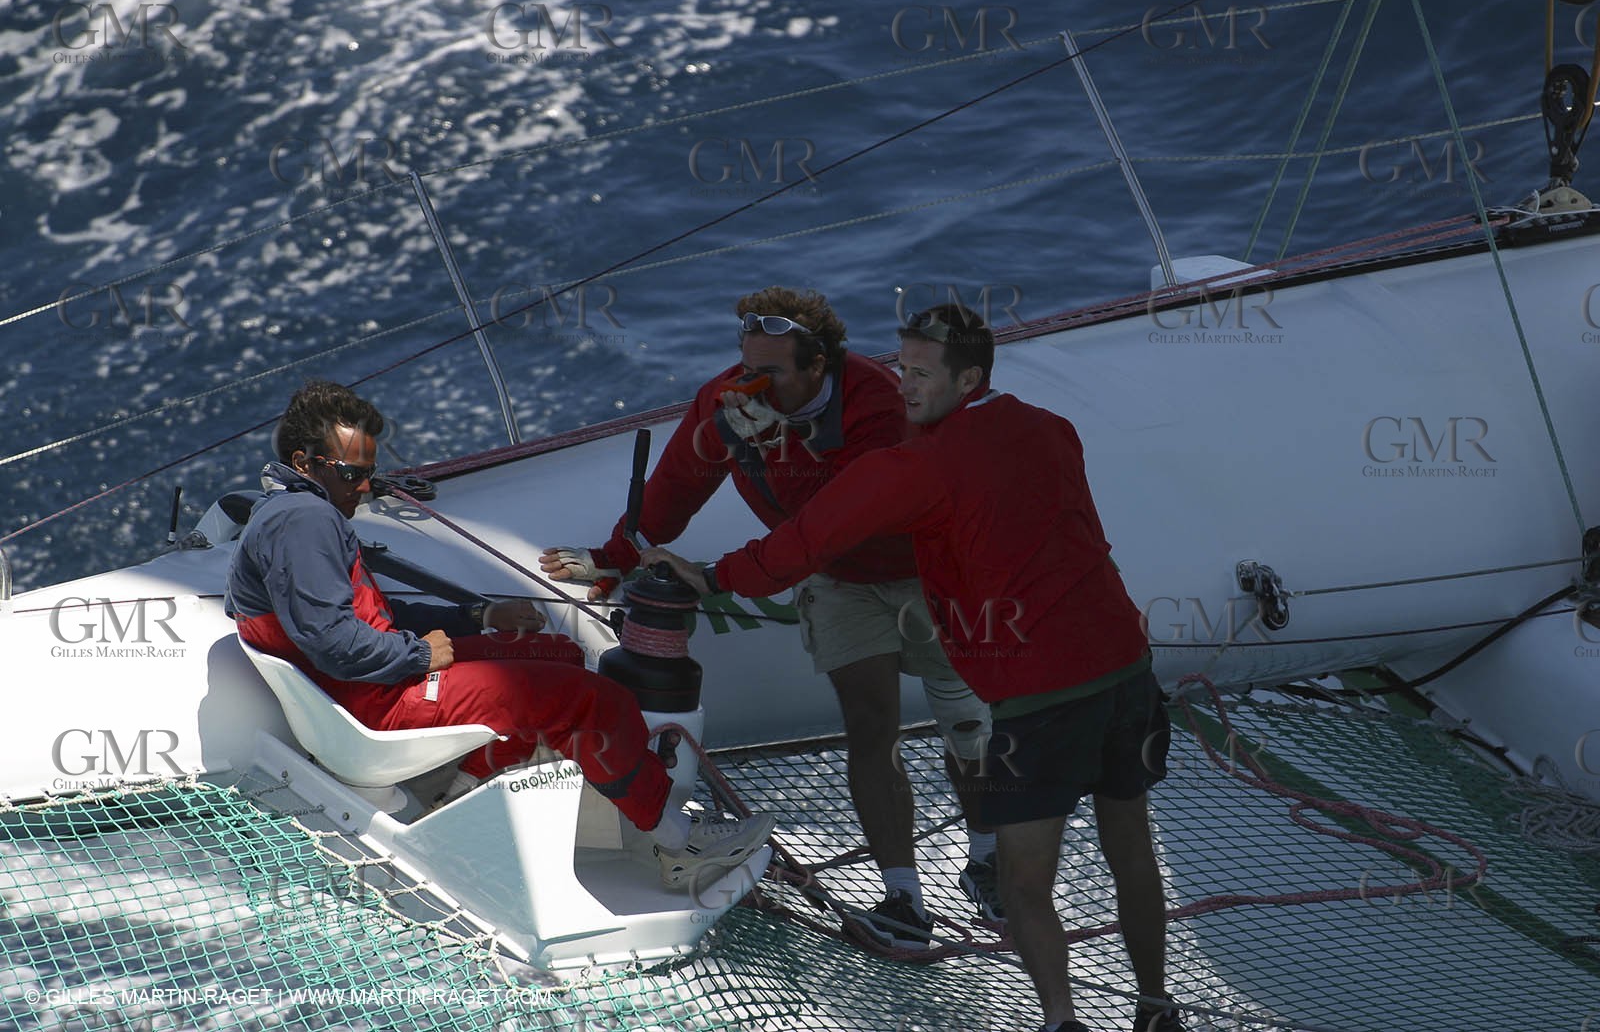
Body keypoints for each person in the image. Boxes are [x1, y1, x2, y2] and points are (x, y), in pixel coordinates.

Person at [641, 304, 1181, 1032]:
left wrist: (711, 575)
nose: (904, 385)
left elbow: (805, 543)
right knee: (1132, 854)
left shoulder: (918, 465)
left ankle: (1061, 1021)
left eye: (922, 373)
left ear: (970, 377)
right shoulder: (1054, 428)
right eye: (900, 368)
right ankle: (1155, 1008)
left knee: (1026, 888)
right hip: (1125, 669)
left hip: (1040, 698)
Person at [539, 287, 999, 948]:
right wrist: (618, 555)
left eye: (771, 371)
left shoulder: (879, 403)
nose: (748, 382)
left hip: (929, 568)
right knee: (872, 723)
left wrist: (774, 448)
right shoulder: (730, 400)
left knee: (965, 720)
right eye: (745, 363)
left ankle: (987, 859)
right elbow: (677, 486)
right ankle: (904, 897)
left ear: (818, 367)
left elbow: (840, 516)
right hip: (842, 583)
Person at [225, 379, 771, 889]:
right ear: (303, 463)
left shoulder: (288, 511)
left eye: (371, 472)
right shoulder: (305, 521)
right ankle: (678, 849)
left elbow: (364, 616)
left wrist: (482, 618)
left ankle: (458, 794)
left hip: (369, 684)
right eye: (351, 474)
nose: (365, 488)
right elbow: (335, 643)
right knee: (595, 702)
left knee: (553, 651)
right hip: (381, 696)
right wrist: (418, 655)